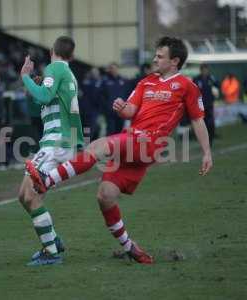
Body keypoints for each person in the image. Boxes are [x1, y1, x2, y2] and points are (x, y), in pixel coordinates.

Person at [26, 36, 213, 265]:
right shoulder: (146, 82)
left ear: (175, 61)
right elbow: (131, 110)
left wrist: (207, 152)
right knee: (105, 196)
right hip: (133, 142)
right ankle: (131, 248)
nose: (154, 59)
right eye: (155, 55)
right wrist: (122, 109)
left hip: (150, 142)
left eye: (160, 56)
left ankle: (47, 180)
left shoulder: (186, 86)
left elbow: (198, 120)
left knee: (97, 146)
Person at [18, 36, 84, 266]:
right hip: (60, 141)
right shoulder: (66, 73)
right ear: (72, 56)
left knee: (32, 196)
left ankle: (51, 251)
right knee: (23, 195)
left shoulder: (55, 68)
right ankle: (53, 240)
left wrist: (25, 77)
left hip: (56, 142)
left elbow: (43, 96)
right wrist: (36, 83)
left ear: (51, 51)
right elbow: (47, 100)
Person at [193, 64, 218, 146]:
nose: (205, 71)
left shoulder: (211, 78)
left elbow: (217, 85)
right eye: (203, 70)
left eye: (206, 69)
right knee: (202, 124)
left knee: (210, 123)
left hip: (209, 104)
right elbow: (193, 90)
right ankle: (203, 140)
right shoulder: (196, 79)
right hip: (200, 105)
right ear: (201, 70)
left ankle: (210, 139)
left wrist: (215, 90)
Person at [101, 63, 129, 135]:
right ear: (109, 70)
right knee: (110, 131)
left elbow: (127, 94)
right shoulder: (105, 81)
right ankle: (109, 146)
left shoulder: (123, 80)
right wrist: (106, 108)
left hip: (121, 110)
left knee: (119, 131)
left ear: (118, 69)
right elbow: (101, 96)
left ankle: (118, 146)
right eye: (112, 68)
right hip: (110, 111)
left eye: (115, 68)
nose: (113, 70)